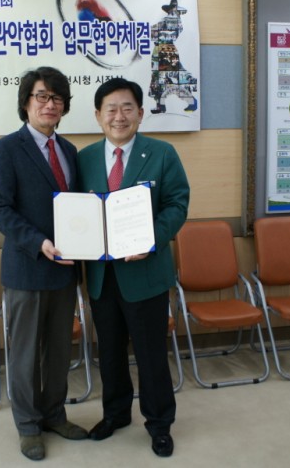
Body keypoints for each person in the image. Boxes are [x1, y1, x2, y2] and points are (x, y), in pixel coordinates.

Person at [77, 77, 190, 457]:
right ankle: (116, 414)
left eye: (127, 108)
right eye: (110, 109)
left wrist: (150, 238)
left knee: (151, 354)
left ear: (141, 113)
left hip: (145, 274)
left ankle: (159, 424)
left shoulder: (162, 153)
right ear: (98, 115)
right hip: (101, 276)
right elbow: (77, 213)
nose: (119, 116)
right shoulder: (84, 158)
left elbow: (177, 204)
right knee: (109, 353)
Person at [0, 66, 88, 461]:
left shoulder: (70, 151)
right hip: (28, 268)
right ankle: (28, 425)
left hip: (65, 269)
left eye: (57, 98)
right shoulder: (6, 149)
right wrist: (38, 242)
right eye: (42, 96)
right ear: (26, 103)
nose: (50, 104)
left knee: (59, 350)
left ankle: (54, 414)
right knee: (26, 354)